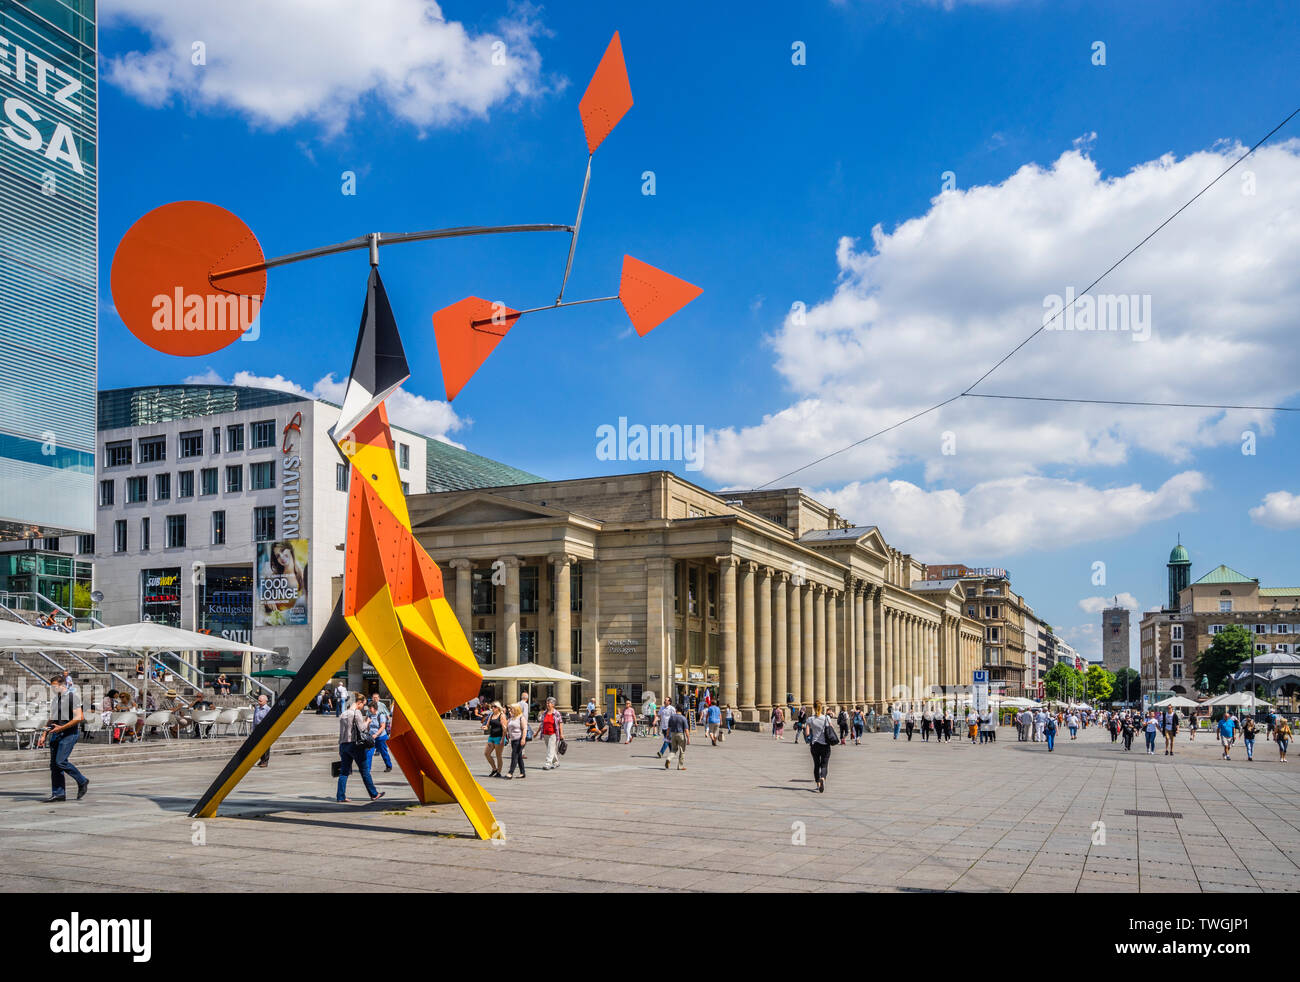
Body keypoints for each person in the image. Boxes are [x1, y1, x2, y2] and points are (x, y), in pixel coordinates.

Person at [37, 674, 88, 802]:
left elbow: (79, 717)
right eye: (51, 687)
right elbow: (52, 718)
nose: (52, 689)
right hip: (56, 734)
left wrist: (62, 727)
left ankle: (82, 780)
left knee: (60, 761)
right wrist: (44, 734)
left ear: (62, 685)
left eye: (54, 687)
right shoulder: (56, 699)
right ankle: (58, 793)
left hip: (69, 734)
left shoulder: (72, 698)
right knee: (54, 765)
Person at [336, 692, 383, 803]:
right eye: (363, 705)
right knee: (364, 770)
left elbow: (342, 732)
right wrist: (367, 721)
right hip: (354, 745)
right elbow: (362, 729)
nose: (363, 708)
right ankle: (374, 794)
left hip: (343, 745)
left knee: (343, 772)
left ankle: (340, 796)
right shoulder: (356, 713)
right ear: (359, 703)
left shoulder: (344, 713)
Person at [805, 702, 835, 793]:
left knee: (816, 765)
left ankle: (818, 784)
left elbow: (807, 733)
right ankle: (823, 777)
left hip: (815, 745)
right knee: (824, 765)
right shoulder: (827, 718)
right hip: (825, 744)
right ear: (821, 708)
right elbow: (831, 729)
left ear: (814, 708)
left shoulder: (810, 719)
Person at [368, 693, 392, 772]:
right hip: (372, 737)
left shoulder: (380, 715)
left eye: (370, 708)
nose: (369, 709)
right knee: (369, 753)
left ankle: (388, 766)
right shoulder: (370, 715)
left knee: (383, 752)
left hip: (381, 737)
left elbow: (382, 726)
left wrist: (376, 734)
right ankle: (367, 769)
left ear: (374, 708)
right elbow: (368, 724)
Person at [539, 697, 564, 770]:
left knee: (550, 748)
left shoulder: (556, 713)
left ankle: (548, 763)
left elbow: (560, 723)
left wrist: (561, 734)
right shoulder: (544, 713)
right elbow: (542, 723)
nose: (547, 704)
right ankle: (556, 762)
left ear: (553, 704)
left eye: (548, 703)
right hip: (545, 733)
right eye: (546, 703)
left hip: (553, 734)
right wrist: (537, 732)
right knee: (550, 748)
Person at [483, 702, 507, 775]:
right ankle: (494, 769)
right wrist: (485, 727)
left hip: (499, 737)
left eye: (495, 707)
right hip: (491, 737)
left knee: (498, 755)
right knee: (486, 753)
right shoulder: (491, 715)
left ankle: (499, 772)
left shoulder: (502, 715)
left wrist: (503, 739)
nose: (493, 708)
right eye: (492, 706)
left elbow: (505, 729)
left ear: (498, 708)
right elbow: (487, 725)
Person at [504, 704, 527, 779]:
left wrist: (523, 739)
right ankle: (522, 773)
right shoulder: (511, 718)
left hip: (519, 739)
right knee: (519, 756)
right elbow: (507, 728)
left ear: (516, 709)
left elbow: (524, 729)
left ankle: (510, 772)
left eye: (512, 709)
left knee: (514, 755)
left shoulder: (521, 718)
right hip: (513, 740)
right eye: (510, 709)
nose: (510, 710)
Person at [665, 704, 689, 770]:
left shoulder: (672, 717)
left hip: (673, 734)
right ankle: (680, 766)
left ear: (676, 710)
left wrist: (667, 735)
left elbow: (669, 727)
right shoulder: (683, 718)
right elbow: (686, 729)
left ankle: (668, 758)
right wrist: (688, 738)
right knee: (682, 750)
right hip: (681, 734)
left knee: (673, 749)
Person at [253, 693, 272, 767]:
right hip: (257, 727)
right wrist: (253, 728)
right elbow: (254, 719)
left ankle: (265, 761)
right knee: (258, 745)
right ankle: (261, 760)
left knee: (265, 745)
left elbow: (270, 720)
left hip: (264, 728)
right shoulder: (257, 708)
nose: (259, 702)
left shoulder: (268, 709)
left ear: (265, 701)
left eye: (260, 701)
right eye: (258, 700)